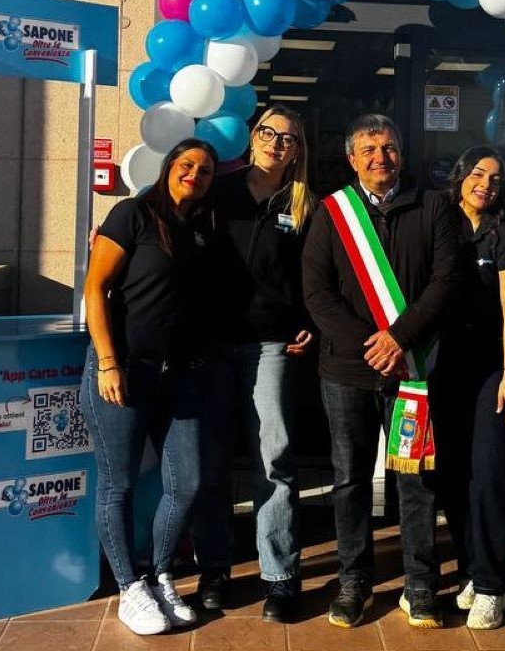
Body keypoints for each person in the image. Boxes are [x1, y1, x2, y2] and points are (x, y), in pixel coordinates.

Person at [302, 113, 461, 629]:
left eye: (388, 147)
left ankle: (420, 584)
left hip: (412, 368)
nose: (380, 157)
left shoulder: (433, 206)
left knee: (415, 480)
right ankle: (355, 582)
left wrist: (399, 339)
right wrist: (369, 346)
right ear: (352, 159)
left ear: (401, 153)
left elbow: (445, 280)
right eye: (368, 149)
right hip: (347, 371)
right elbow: (317, 293)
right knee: (349, 481)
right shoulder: (331, 213)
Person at [80, 139, 219, 635]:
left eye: (205, 170)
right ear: (168, 168)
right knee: (117, 484)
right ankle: (128, 588)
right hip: (123, 370)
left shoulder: (202, 228)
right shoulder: (132, 214)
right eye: (187, 165)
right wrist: (109, 363)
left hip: (179, 375)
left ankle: (160, 576)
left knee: (187, 483)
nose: (195, 175)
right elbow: (94, 289)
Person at [192, 106, 316, 622]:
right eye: (268, 132)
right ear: (253, 137)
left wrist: (312, 319)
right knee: (213, 461)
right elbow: (168, 229)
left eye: (287, 138)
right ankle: (215, 570)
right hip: (216, 344)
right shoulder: (219, 193)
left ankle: (280, 577)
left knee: (274, 458)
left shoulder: (306, 205)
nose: (276, 143)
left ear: (297, 151)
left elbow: (318, 272)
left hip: (273, 345)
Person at [431, 146, 505, 630]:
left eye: (496, 178)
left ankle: (492, 586)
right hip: (440, 370)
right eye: (478, 174)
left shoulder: (504, 233)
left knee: (490, 474)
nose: (485, 184)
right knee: (451, 474)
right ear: (461, 174)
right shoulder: (439, 221)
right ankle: (470, 569)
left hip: (493, 371)